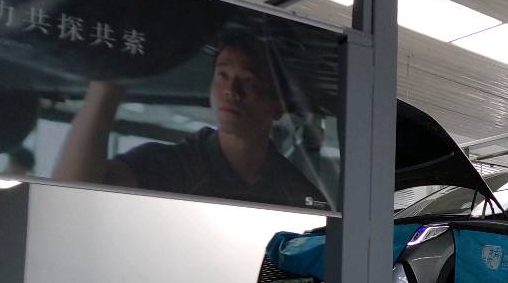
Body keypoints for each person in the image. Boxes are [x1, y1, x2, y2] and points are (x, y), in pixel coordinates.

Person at [53, 24, 318, 207]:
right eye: (222, 75)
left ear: (277, 105)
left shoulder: (296, 192)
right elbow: (70, 198)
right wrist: (108, 84)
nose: (231, 90)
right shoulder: (171, 166)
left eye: (248, 80)